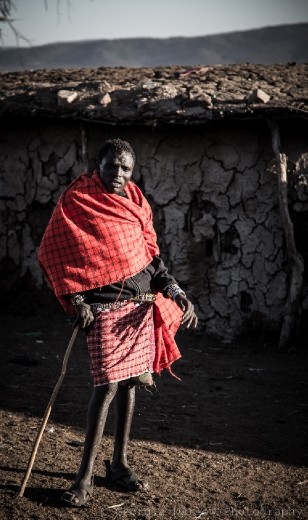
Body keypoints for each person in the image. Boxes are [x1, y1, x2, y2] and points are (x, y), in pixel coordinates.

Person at [38, 138, 198, 507]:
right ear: (99, 166)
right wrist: (78, 300)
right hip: (105, 311)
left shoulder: (136, 204)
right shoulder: (78, 201)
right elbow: (54, 252)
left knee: (130, 386)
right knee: (106, 386)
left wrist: (176, 293)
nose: (119, 174)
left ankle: (119, 465)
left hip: (141, 308)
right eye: (112, 166)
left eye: (126, 168)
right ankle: (83, 478)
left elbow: (151, 261)